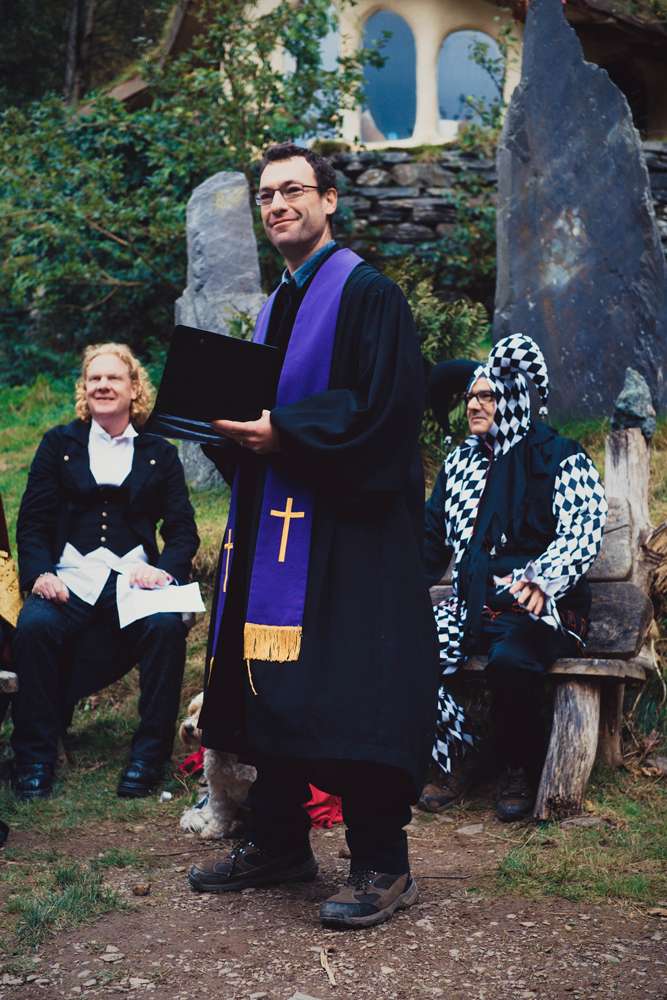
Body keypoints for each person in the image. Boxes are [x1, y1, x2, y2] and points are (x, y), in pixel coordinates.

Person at [188, 142, 440, 928]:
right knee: (272, 685)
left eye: (292, 190)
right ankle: (277, 841)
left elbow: (386, 414)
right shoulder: (276, 308)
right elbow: (259, 417)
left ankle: (381, 863)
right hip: (280, 537)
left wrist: (285, 432)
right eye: (266, 195)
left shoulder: (369, 296)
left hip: (353, 539)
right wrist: (220, 427)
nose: (277, 205)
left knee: (354, 692)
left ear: (329, 200)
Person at [420, 335, 608, 820]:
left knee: (510, 661)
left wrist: (545, 577)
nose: (473, 405)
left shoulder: (559, 455)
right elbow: (428, 542)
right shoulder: (460, 464)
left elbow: (584, 525)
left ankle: (516, 765)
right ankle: (461, 752)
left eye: (487, 396)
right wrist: (390, 584)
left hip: (542, 609)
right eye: (470, 397)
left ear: (514, 399)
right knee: (407, 647)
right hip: (473, 607)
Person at [11, 344, 199, 802]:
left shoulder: (159, 452)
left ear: (134, 388)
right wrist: (40, 574)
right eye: (94, 378)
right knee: (33, 627)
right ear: (84, 389)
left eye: (113, 378)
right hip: (70, 576)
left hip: (133, 580)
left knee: (165, 628)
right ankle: (34, 756)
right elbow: (32, 522)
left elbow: (182, 531)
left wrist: (163, 574)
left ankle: (148, 756)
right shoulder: (59, 444)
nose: (102, 385)